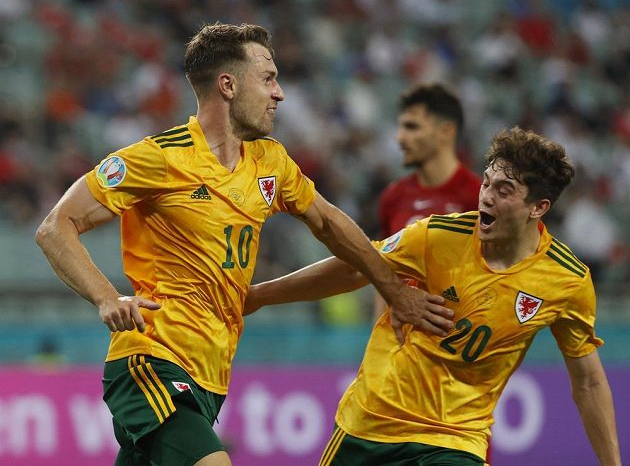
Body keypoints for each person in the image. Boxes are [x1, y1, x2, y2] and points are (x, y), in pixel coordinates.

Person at [34, 23, 454, 466]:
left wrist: (394, 291)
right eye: (268, 78)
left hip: (210, 378)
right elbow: (55, 227)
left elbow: (330, 224)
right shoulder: (159, 158)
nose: (280, 93)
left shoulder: (270, 162)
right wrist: (105, 297)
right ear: (228, 85)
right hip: (151, 361)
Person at [245, 127, 621, 466]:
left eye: (504, 191)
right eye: (486, 183)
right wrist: (260, 294)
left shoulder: (567, 281)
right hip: (371, 426)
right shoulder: (437, 236)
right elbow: (356, 266)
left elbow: (588, 381)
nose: (486, 198)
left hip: (455, 441)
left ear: (538, 208)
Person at [374, 83, 481, 318]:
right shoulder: (393, 197)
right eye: (401, 127)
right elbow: (385, 275)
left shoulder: (479, 197)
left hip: (458, 343)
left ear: (446, 131)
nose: (400, 138)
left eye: (412, 127)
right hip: (401, 345)